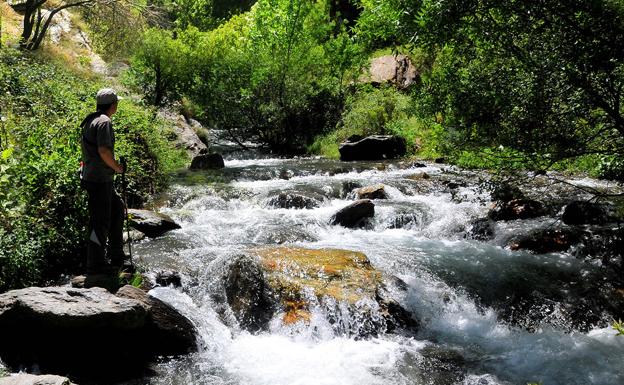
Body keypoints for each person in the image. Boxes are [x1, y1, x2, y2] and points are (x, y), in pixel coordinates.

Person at [80, 88, 127, 273]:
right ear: (113, 105)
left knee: (116, 209)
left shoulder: (91, 119)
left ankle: (116, 254)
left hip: (92, 176)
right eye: (117, 103)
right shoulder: (105, 122)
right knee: (99, 221)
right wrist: (117, 168)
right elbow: (104, 151)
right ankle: (96, 264)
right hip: (100, 179)